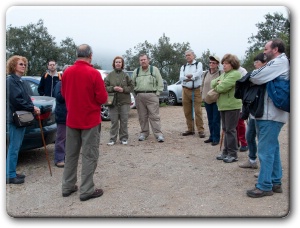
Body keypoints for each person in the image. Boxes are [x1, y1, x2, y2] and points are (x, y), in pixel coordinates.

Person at [61, 44, 108, 201]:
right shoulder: (93, 73)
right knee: (89, 155)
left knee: (71, 155)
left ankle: (67, 186)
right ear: (90, 56)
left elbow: (63, 93)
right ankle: (86, 189)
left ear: (77, 55)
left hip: (72, 119)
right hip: (90, 121)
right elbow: (102, 98)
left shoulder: (67, 72)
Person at [246, 38, 289, 198]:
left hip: (271, 114)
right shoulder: (278, 63)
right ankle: (275, 181)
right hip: (270, 113)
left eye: (266, 49)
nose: (264, 52)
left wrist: (257, 74)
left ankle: (264, 186)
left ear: (275, 49)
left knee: (265, 150)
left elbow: (255, 77)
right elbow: (258, 74)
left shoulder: (279, 63)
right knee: (273, 148)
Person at [6, 55, 40, 184]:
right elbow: (17, 100)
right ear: (13, 65)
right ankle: (9, 175)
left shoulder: (20, 80)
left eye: (24, 64)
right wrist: (32, 108)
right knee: (14, 147)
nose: (23, 66)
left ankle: (11, 172)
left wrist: (32, 106)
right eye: (21, 64)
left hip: (21, 117)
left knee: (17, 146)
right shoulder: (10, 81)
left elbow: (26, 98)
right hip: (15, 118)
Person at [212, 54, 242, 163]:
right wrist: (218, 83)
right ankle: (226, 151)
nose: (224, 66)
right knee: (225, 129)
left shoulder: (235, 74)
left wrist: (219, 84)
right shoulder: (225, 75)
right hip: (223, 105)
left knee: (230, 130)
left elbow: (222, 87)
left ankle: (233, 153)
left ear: (232, 64)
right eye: (223, 63)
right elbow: (213, 83)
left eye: (226, 63)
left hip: (232, 106)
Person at [239, 53, 266, 170]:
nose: (255, 64)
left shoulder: (266, 76)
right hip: (252, 113)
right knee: (249, 136)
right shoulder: (254, 75)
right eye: (254, 62)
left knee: (262, 141)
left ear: (264, 63)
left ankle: (265, 168)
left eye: (257, 62)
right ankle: (252, 160)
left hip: (262, 114)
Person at [132, 54, 164, 143]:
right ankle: (144, 133)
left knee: (154, 116)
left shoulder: (154, 70)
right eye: (141, 60)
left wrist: (157, 94)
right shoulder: (136, 71)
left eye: (144, 59)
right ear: (139, 61)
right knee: (142, 116)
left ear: (148, 60)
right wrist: (136, 95)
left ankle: (158, 134)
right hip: (140, 96)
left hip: (152, 95)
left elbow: (160, 82)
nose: (143, 61)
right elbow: (132, 84)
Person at [104, 56, 134, 146]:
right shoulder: (109, 75)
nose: (118, 63)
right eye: (116, 62)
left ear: (122, 64)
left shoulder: (126, 75)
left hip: (124, 101)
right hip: (113, 102)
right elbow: (104, 87)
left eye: (120, 62)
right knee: (114, 121)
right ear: (114, 64)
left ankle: (124, 138)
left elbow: (132, 87)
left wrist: (123, 89)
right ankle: (112, 139)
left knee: (124, 121)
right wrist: (113, 88)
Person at [180, 49, 205, 138]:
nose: (188, 57)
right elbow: (181, 77)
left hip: (196, 90)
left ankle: (201, 130)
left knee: (198, 111)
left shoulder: (198, 64)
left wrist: (191, 77)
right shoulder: (183, 66)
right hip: (185, 90)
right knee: (187, 111)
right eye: (186, 55)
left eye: (189, 55)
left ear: (193, 56)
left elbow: (198, 74)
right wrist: (191, 77)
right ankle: (190, 129)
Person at [52, 65, 71, 168]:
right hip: (62, 115)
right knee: (61, 138)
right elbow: (59, 98)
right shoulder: (60, 84)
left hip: (71, 115)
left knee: (70, 138)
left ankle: (67, 157)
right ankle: (59, 159)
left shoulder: (74, 84)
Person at [201, 56, 222, 146]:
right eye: (210, 62)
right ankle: (211, 136)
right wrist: (202, 95)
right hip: (207, 99)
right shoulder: (205, 73)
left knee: (216, 120)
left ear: (217, 64)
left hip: (217, 100)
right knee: (210, 119)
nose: (211, 64)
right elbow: (202, 85)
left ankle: (216, 138)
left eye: (213, 63)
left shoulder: (221, 73)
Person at [236, 66, 249, 152]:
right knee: (232, 125)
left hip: (239, 100)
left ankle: (243, 142)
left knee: (240, 123)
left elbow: (245, 84)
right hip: (230, 101)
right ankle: (235, 142)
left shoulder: (242, 71)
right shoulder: (226, 72)